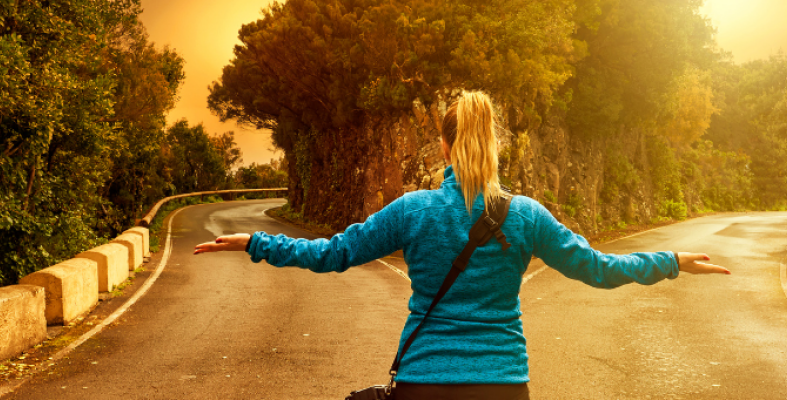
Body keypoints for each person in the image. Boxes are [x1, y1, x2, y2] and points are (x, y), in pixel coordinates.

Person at [193, 91, 731, 400]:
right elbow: (597, 268)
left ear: (444, 145)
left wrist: (257, 242)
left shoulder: (412, 210)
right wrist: (670, 262)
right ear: (496, 145)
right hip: (501, 385)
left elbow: (332, 253)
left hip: (425, 382)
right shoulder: (525, 216)